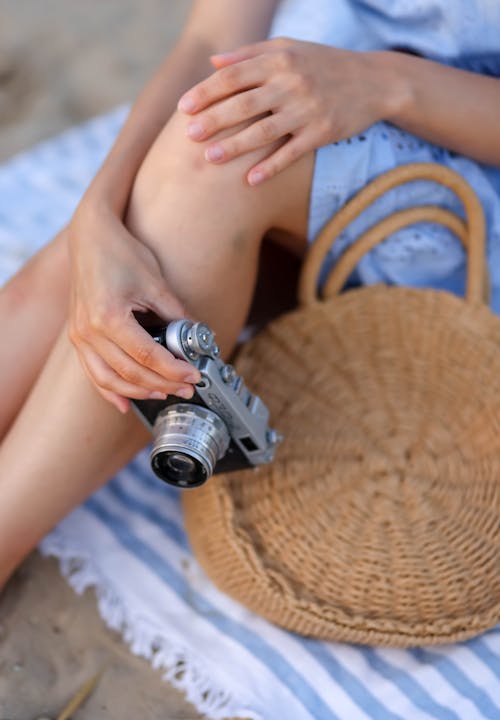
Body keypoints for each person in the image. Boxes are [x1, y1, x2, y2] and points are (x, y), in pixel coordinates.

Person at [1, 0, 499, 592]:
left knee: (212, 163)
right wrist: (96, 213)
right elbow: (211, 34)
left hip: (463, 157)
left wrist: (383, 81)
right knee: (119, 234)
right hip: (305, 86)